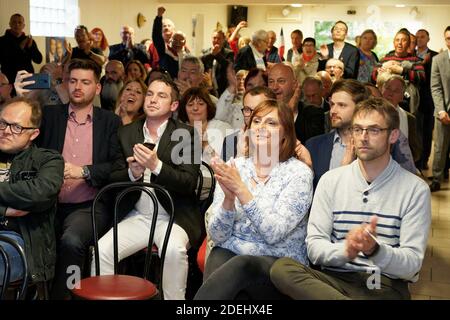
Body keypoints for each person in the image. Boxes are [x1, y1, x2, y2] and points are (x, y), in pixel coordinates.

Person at [271, 97, 431, 300]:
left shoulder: (415, 189)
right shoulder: (331, 180)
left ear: (393, 136)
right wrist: (347, 250)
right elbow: (314, 247)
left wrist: (374, 250)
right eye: (357, 129)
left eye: (374, 130)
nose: (363, 137)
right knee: (282, 268)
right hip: (333, 282)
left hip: (382, 284)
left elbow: (411, 265)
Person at [94, 77, 201, 300]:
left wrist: (156, 166)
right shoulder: (126, 133)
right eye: (150, 94)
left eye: (161, 96)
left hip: (174, 215)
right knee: (102, 250)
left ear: (173, 106)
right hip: (137, 215)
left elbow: (189, 183)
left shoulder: (186, 134)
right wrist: (132, 173)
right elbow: (111, 179)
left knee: (173, 251)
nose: (153, 100)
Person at [194, 99, 313, 300]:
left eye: (271, 123)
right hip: (231, 259)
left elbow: (273, 233)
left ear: (286, 133)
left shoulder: (298, 173)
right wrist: (228, 201)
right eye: (256, 121)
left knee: (241, 265)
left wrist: (240, 189)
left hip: (277, 265)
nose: (261, 127)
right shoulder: (235, 166)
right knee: (218, 254)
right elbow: (218, 235)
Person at [35, 59, 122, 300]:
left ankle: (68, 295)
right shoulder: (50, 116)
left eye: (85, 82)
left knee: (72, 242)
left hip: (88, 206)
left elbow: (117, 166)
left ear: (97, 88)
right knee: (34, 240)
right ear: (65, 83)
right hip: (48, 203)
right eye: (72, 81)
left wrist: (84, 171)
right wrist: (26, 97)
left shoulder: (110, 122)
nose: (77, 87)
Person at [0, 97, 64, 291]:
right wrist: (4, 210)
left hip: (20, 241)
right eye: (2, 123)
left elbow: (39, 194)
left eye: (16, 127)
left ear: (33, 133)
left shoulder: (48, 160)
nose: (6, 131)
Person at [178, 87, 232, 163]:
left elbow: (227, 166)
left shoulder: (223, 128)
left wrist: (205, 145)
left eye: (201, 104)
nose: (195, 108)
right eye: (190, 105)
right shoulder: (178, 130)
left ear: (208, 106)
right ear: (184, 109)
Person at [429, 26, 450, 192]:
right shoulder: (438, 59)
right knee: (440, 147)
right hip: (444, 112)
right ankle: (436, 178)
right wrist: (442, 110)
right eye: (448, 38)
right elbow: (435, 87)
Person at [0, 14, 43, 84]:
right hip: (9, 81)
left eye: (19, 22)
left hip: (27, 80)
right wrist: (20, 47)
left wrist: (30, 47)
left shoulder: (29, 40)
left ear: (23, 26)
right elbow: (6, 59)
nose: (17, 25)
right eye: (14, 22)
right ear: (10, 24)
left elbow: (38, 60)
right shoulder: (2, 41)